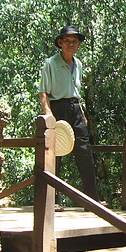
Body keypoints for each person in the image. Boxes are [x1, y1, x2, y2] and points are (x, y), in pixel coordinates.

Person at [38, 25, 100, 205]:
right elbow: (43, 93)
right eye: (67, 41)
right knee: (55, 153)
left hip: (76, 109)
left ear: (79, 44)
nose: (71, 44)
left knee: (84, 150)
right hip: (59, 107)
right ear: (60, 43)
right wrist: (49, 116)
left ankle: (91, 199)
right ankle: (52, 200)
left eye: (75, 41)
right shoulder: (50, 63)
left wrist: (82, 112)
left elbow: (76, 91)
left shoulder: (78, 64)